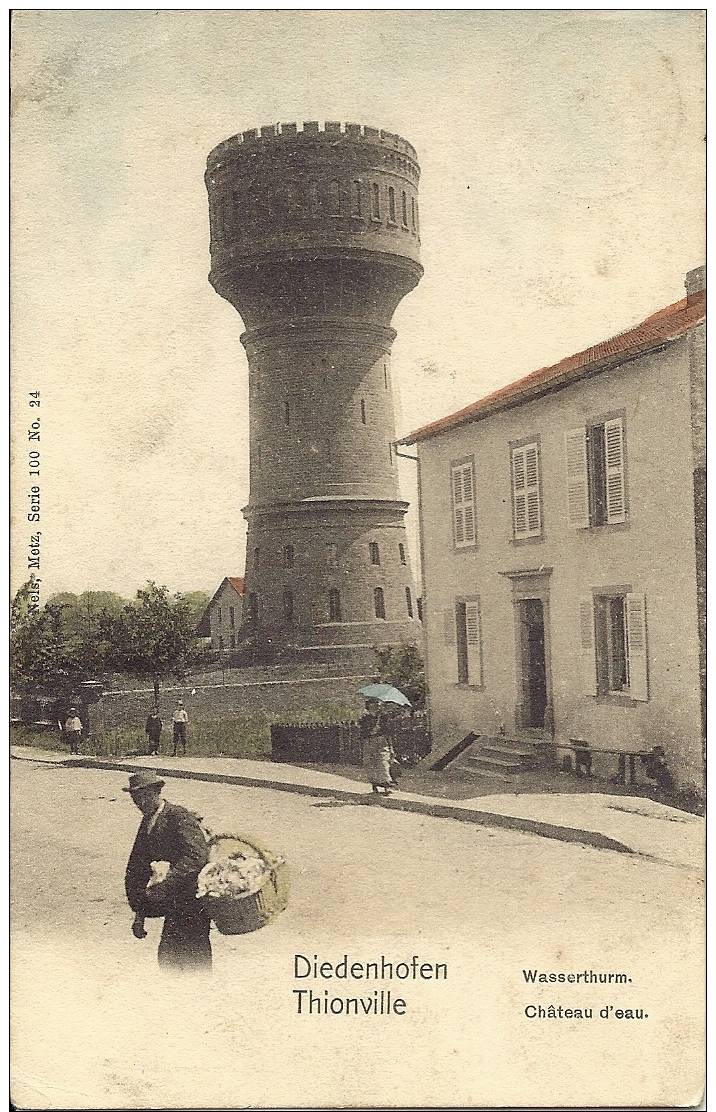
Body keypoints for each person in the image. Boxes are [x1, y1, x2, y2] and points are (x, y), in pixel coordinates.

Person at [123, 771, 212, 974]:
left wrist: (166, 883)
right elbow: (138, 866)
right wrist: (140, 912)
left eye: (143, 797)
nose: (139, 803)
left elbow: (196, 856)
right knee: (169, 960)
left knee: (193, 961)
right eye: (135, 798)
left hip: (192, 902)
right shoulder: (148, 821)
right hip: (174, 905)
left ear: (156, 792)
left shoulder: (178, 816)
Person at [360, 698, 397, 795]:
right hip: (369, 742)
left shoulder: (383, 718)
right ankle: (375, 785)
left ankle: (386, 786)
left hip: (382, 741)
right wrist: (371, 731)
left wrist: (391, 748)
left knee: (383, 762)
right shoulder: (364, 719)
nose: (375, 708)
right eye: (373, 706)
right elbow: (362, 734)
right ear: (368, 708)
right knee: (372, 763)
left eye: (377, 706)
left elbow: (388, 733)